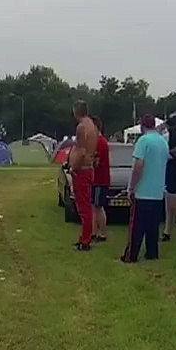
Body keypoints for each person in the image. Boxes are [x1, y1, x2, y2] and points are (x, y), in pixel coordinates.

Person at [122, 114, 170, 263]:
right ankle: (152, 252)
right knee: (153, 226)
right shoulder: (163, 142)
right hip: (157, 191)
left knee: (137, 226)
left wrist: (131, 187)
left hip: (143, 191)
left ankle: (131, 255)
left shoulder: (143, 141)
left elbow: (139, 165)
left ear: (142, 126)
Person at [69, 100, 98, 251]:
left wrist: (74, 167)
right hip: (89, 168)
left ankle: (86, 240)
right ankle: (84, 237)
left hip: (82, 170)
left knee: (83, 207)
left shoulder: (81, 127)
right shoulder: (92, 125)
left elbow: (81, 151)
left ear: (76, 111)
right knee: (86, 206)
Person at [91, 115, 111, 243]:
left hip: (100, 180)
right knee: (94, 206)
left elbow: (96, 162)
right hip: (96, 180)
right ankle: (94, 232)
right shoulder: (96, 141)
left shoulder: (100, 142)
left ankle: (102, 233)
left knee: (98, 207)